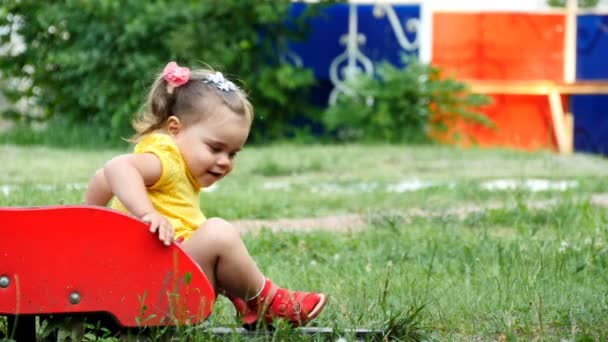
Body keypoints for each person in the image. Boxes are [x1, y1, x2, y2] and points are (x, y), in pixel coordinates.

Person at [84, 61, 327, 327]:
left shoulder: (179, 169)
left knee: (210, 237)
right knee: (217, 234)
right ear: (175, 129)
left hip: (156, 283)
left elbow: (101, 178)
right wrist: (146, 213)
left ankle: (247, 302)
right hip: (151, 291)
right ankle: (268, 300)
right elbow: (116, 167)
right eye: (215, 148)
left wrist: (90, 225)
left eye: (232, 153)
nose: (224, 161)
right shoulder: (166, 160)